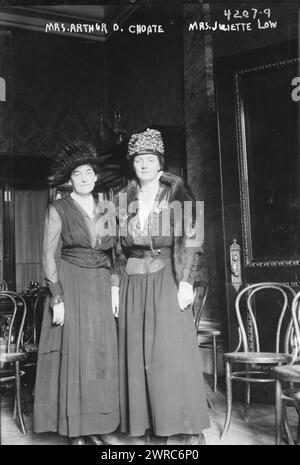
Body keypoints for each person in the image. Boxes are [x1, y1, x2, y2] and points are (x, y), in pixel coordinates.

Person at [116, 128, 210, 445]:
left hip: (168, 275)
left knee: (170, 355)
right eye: (139, 159)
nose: (144, 164)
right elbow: (114, 247)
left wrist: (186, 281)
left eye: (149, 159)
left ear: (160, 163)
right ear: (133, 164)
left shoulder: (179, 194)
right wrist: (115, 286)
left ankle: (181, 430)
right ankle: (147, 428)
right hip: (132, 279)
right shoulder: (121, 199)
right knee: (137, 353)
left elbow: (192, 240)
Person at [33, 142, 119, 445]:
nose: (84, 178)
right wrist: (57, 298)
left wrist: (115, 288)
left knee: (99, 356)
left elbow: (116, 253)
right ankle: (75, 430)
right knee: (77, 354)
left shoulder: (107, 208)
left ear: (96, 178)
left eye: (89, 173)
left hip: (100, 283)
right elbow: (48, 255)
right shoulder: (58, 208)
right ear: (72, 179)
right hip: (72, 284)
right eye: (78, 174)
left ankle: (97, 425)